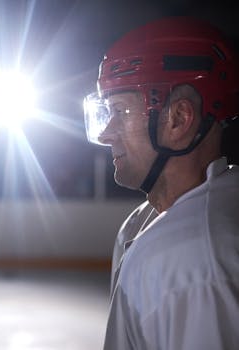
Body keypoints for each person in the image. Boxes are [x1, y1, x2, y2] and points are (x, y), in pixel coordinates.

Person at [83, 17, 239, 349]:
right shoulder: (141, 223)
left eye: (121, 111)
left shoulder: (194, 261)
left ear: (179, 120)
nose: (106, 133)